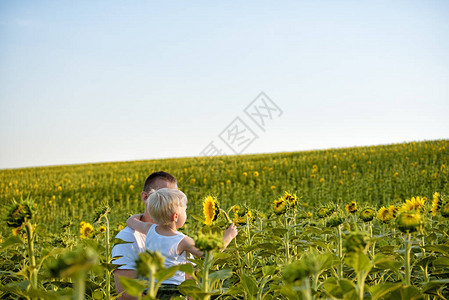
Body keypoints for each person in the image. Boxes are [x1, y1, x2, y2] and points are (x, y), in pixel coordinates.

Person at [126, 188, 238, 298]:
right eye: (185, 210)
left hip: (152, 289)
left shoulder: (149, 229)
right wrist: (229, 235)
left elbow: (130, 221)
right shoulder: (182, 240)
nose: (186, 212)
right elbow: (209, 254)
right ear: (175, 216)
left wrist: (150, 214)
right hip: (174, 291)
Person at [112, 171, 178, 300]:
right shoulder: (127, 238)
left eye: (173, 197)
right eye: (161, 195)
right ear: (145, 197)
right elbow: (126, 293)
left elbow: (191, 282)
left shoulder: (176, 236)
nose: (168, 201)